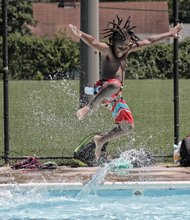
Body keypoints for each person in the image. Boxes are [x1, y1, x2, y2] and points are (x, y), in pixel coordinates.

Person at [69, 15, 183, 161]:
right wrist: (80, 34)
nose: (123, 50)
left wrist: (169, 33)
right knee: (115, 84)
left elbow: (148, 41)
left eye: (126, 47)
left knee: (128, 127)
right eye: (120, 47)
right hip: (103, 88)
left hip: (115, 96)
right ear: (113, 43)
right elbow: (93, 42)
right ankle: (89, 107)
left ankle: (101, 140)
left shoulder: (127, 50)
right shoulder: (108, 50)